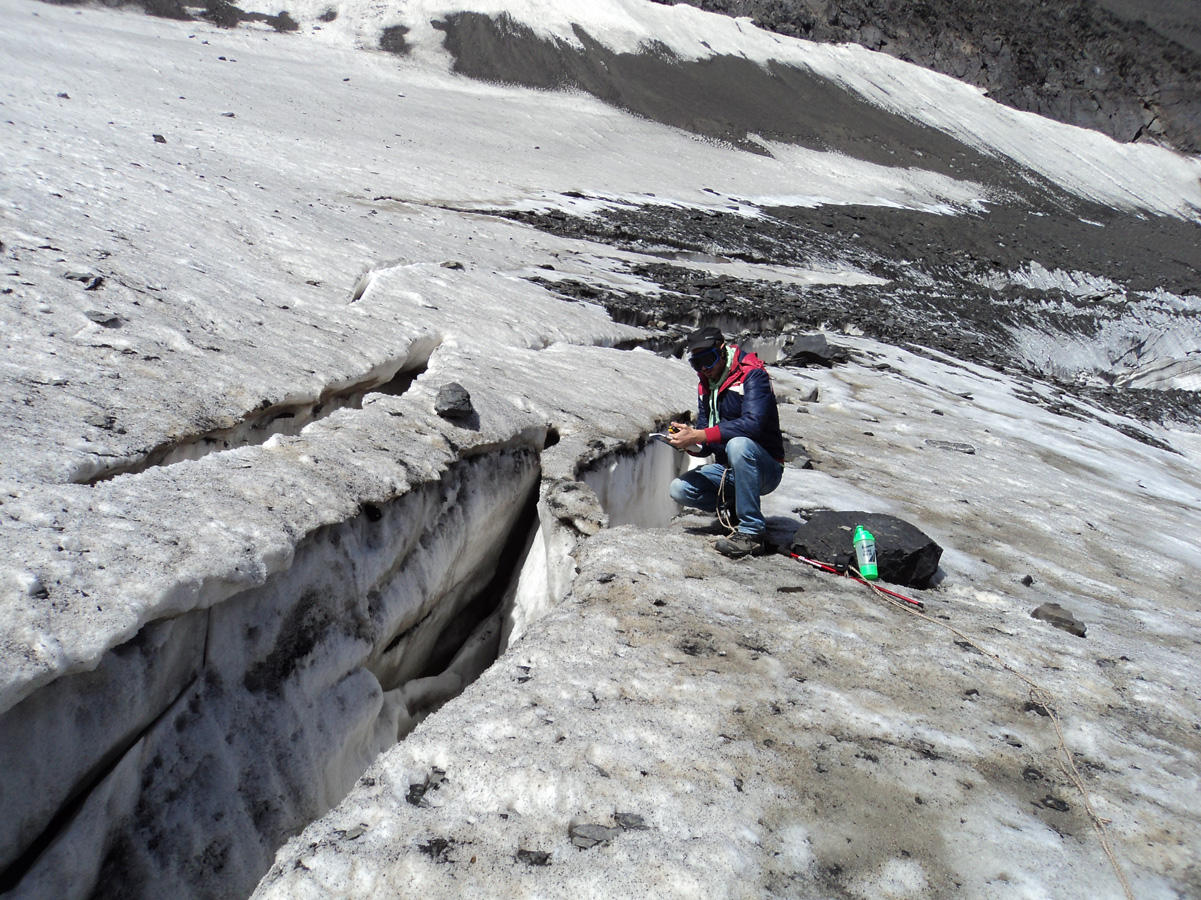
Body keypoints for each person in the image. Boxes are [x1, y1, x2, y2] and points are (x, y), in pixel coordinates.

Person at [667, 325, 786, 558]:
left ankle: (752, 533)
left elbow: (753, 424)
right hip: (728, 470)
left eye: (708, 360)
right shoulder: (706, 386)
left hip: (765, 467)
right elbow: (707, 439)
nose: (704, 369)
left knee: (738, 445)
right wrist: (690, 441)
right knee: (679, 489)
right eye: (696, 363)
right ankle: (734, 508)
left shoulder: (752, 374)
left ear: (722, 350)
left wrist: (701, 434)